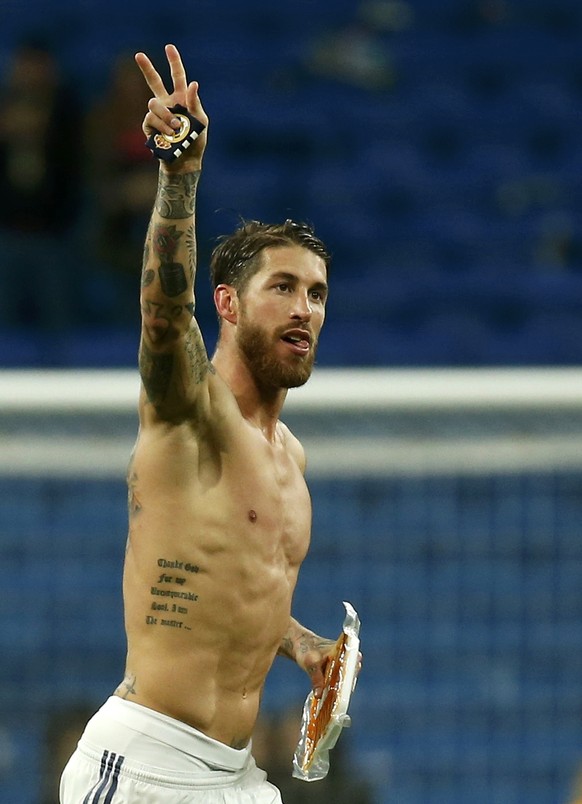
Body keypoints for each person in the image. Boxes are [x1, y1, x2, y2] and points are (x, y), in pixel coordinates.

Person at [60, 44, 346, 803]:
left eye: (316, 293)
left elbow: (239, 582)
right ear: (226, 303)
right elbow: (161, 317)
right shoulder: (190, 412)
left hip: (236, 777)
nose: (304, 308)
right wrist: (179, 177)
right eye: (282, 286)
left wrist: (302, 645)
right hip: (145, 767)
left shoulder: (292, 459)